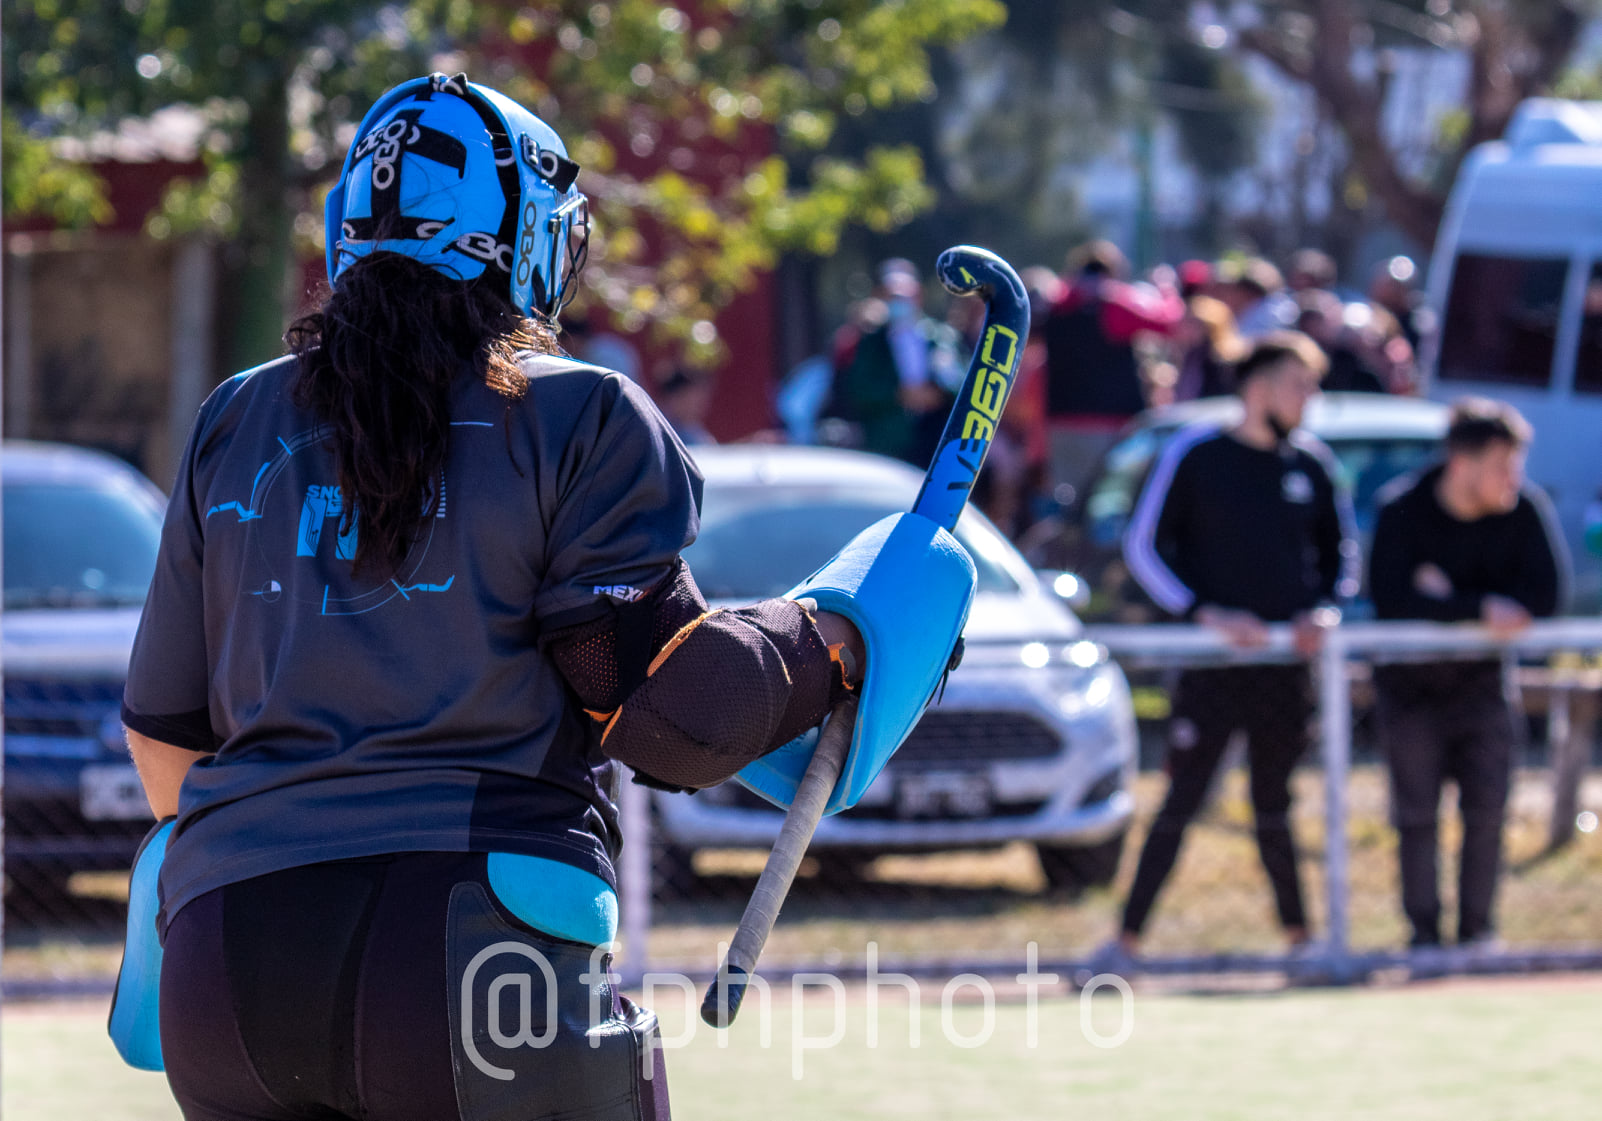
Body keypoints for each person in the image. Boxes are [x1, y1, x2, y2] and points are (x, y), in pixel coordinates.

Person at [112, 73, 921, 1121]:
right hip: (472, 944)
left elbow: (166, 750)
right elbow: (672, 716)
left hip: (226, 968)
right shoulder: (578, 413)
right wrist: (833, 642)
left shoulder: (234, 420)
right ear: (530, 238)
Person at [1110, 331, 1357, 961]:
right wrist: (1205, 614)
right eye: (1300, 384)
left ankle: (1300, 941)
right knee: (1183, 797)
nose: (1310, 398)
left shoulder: (1312, 464)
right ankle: (1125, 942)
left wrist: (1322, 613)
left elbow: (1340, 561)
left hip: (1284, 670)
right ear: (1259, 386)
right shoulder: (1198, 455)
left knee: (1274, 801)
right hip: (1214, 666)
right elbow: (1144, 548)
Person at [1369, 398, 1567, 952]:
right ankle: (1424, 935)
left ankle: (1479, 931)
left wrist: (1445, 597)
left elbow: (1544, 597)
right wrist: (1478, 608)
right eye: (1502, 466)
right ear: (1462, 463)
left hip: (1482, 688)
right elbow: (1392, 599)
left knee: (1487, 812)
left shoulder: (1522, 510)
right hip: (1409, 691)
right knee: (1415, 817)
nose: (1513, 480)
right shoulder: (1402, 509)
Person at [1042, 240, 1183, 497]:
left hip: (1059, 423)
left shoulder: (1055, 304)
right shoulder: (1113, 303)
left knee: (1066, 505)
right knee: (1108, 505)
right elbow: (1170, 323)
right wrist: (1166, 289)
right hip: (1110, 425)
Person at [825, 258, 964, 467]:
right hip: (889, 443)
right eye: (892, 296)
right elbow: (858, 388)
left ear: (918, 294)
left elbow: (961, 381)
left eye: (903, 295)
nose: (898, 302)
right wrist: (898, 394)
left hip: (937, 441)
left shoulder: (942, 337)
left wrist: (937, 393)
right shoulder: (871, 343)